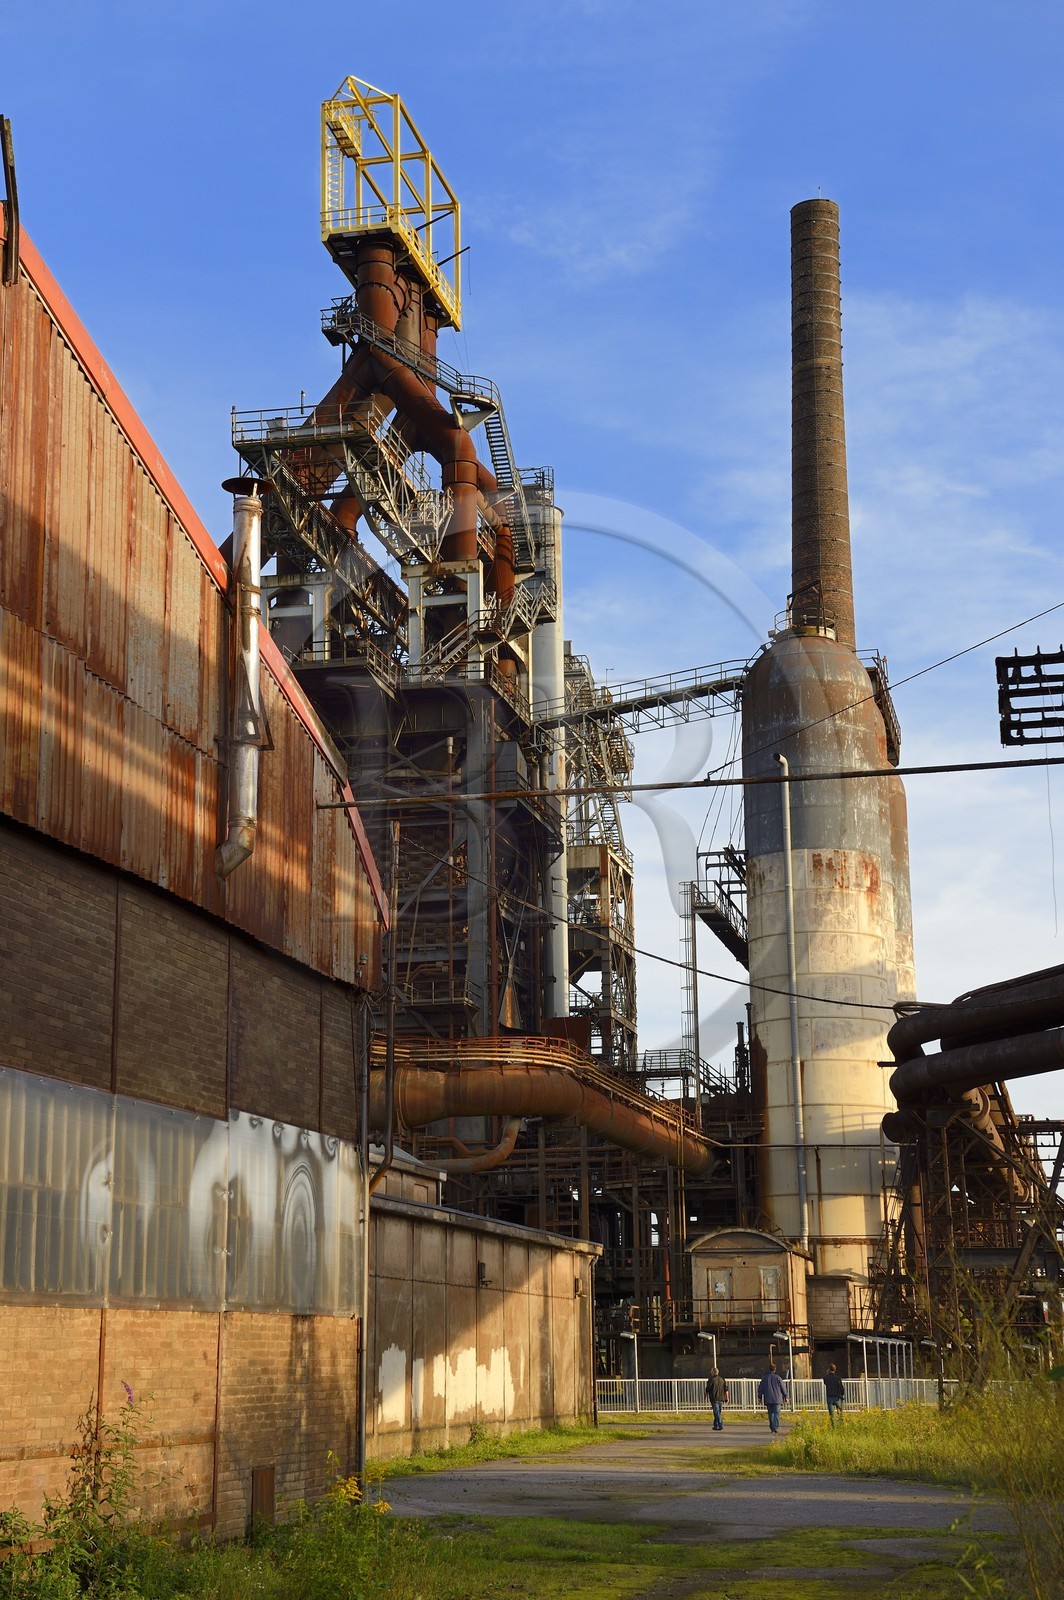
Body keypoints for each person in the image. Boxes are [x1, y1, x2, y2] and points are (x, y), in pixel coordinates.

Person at [757, 1360, 788, 1434]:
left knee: (770, 1413)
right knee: (776, 1413)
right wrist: (786, 1396)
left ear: (769, 1369)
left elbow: (761, 1388)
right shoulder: (778, 1378)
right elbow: (783, 1388)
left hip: (768, 1398)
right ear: (775, 1369)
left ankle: (772, 1426)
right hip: (777, 1399)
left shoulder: (764, 1378)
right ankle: (775, 1426)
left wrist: (760, 1397)